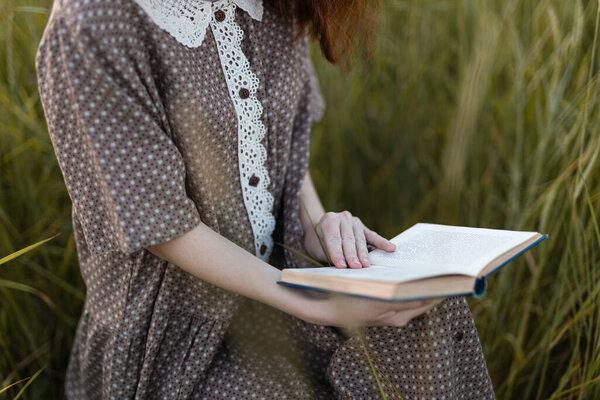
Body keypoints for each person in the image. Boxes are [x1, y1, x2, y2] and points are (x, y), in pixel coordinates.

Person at [35, 0, 496, 398]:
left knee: (429, 317)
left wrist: (320, 228)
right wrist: (310, 302)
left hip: (282, 278)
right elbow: (160, 226)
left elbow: (282, 153)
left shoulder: (271, 4)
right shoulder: (94, 21)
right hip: (177, 334)